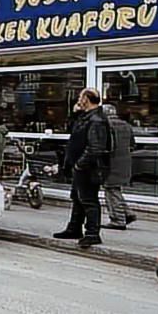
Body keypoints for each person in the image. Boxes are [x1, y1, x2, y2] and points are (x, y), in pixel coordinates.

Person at [53, 88, 110, 249]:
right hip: (81, 167)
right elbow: (73, 132)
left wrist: (80, 164)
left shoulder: (97, 120)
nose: (78, 100)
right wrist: (75, 113)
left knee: (89, 200)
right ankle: (74, 228)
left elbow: (95, 147)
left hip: (89, 168)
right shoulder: (86, 117)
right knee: (78, 198)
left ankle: (92, 233)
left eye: (80, 97)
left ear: (86, 99)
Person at [101, 103, 135, 230]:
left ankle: (118, 219)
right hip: (124, 162)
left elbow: (105, 146)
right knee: (115, 190)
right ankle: (127, 213)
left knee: (111, 191)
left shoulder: (106, 126)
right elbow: (132, 144)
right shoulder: (126, 125)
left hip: (111, 162)